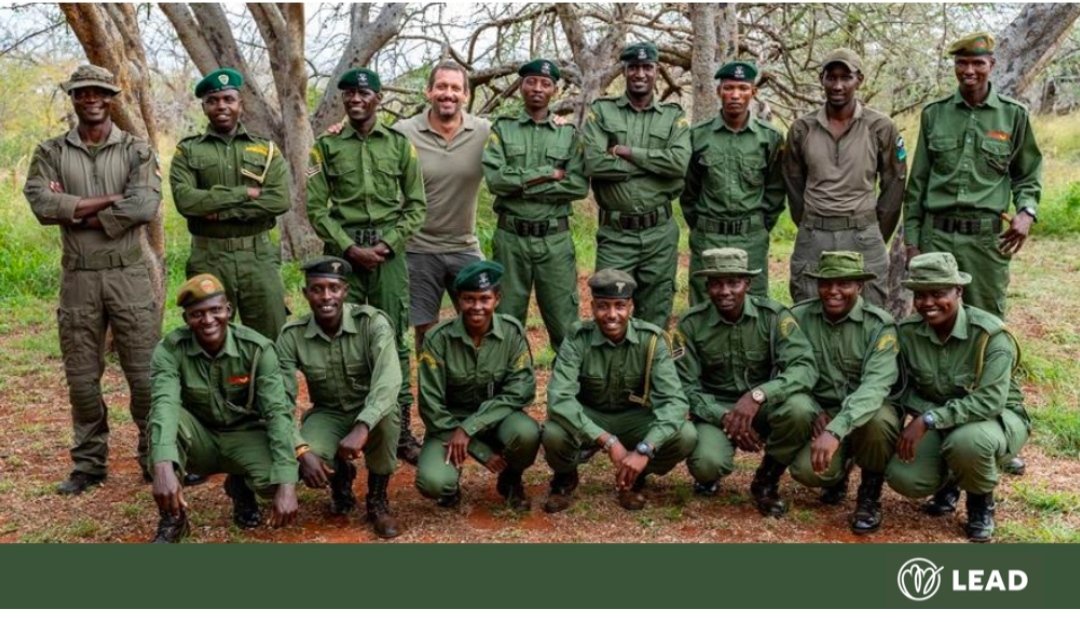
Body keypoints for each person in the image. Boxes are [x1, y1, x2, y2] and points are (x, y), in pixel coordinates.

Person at [23, 64, 161, 494]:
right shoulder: (50, 151)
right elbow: (42, 204)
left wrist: (76, 207)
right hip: (79, 278)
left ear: (111, 97)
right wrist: (112, 199)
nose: (91, 99)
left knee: (144, 376)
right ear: (74, 98)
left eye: (99, 91)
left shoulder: (137, 150)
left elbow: (144, 207)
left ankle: (155, 458)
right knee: (82, 378)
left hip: (129, 275)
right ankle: (88, 464)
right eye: (83, 92)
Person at [306, 67, 427, 465]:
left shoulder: (398, 144)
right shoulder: (326, 147)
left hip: (388, 257)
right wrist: (347, 247)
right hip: (343, 260)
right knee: (341, 338)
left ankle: (402, 430)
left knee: (393, 340)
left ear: (378, 98)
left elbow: (415, 205)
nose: (355, 99)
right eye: (348, 94)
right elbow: (315, 207)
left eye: (363, 93)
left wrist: (388, 245)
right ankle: (343, 424)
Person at [884, 252, 1029, 542]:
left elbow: (990, 401)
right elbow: (901, 389)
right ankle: (950, 480)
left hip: (994, 420)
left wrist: (928, 418)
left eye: (938, 293)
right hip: (938, 418)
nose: (928, 303)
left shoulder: (990, 335)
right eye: (920, 295)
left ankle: (980, 504)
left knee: (968, 442)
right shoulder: (908, 333)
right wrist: (930, 415)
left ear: (959, 291)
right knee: (905, 478)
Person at [147, 275, 298, 543]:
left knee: (276, 483)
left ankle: (240, 485)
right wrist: (161, 466)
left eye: (216, 310)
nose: (208, 321)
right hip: (200, 436)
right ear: (186, 319)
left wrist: (287, 484)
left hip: (244, 434)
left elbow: (277, 413)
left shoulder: (257, 349)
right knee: (165, 423)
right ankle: (173, 519)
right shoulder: (170, 350)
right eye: (197, 314)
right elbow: (164, 405)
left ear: (228, 310)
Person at [903, 32, 1042, 321]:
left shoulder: (1012, 115)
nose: (969, 71)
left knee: (986, 318)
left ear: (991, 64)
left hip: (986, 241)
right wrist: (913, 244)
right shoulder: (934, 114)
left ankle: (987, 367)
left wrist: (1026, 212)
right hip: (936, 236)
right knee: (933, 316)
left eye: (977, 63)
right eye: (962, 63)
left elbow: (1027, 174)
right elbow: (917, 185)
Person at [670, 248, 817, 516]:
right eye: (716, 283)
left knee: (800, 409)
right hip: (718, 409)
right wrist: (724, 416)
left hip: (764, 405)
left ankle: (767, 479)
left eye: (733, 283)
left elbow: (804, 367)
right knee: (706, 464)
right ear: (707, 287)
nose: (725, 291)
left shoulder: (773, 317)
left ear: (747, 284)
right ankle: (709, 478)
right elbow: (683, 386)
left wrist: (760, 394)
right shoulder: (691, 325)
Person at [543, 269, 696, 513]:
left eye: (620, 306)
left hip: (634, 418)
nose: (611, 314)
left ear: (631, 307)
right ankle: (565, 477)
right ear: (592, 307)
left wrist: (646, 448)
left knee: (685, 435)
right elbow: (559, 398)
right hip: (591, 415)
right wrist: (606, 440)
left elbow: (675, 402)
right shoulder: (577, 338)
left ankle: (635, 475)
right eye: (603, 306)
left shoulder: (652, 340)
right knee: (553, 432)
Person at [276, 257, 403, 538]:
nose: (326, 297)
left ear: (345, 291)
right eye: (317, 289)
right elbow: (278, 401)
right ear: (305, 293)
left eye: (333, 288)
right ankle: (340, 480)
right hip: (328, 413)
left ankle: (378, 501)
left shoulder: (372, 322)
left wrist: (363, 425)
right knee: (307, 463)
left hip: (369, 410)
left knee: (387, 416)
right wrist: (301, 450)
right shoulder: (292, 335)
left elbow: (389, 381)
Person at [169, 67, 291, 340]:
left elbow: (279, 199)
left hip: (258, 258)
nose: (221, 106)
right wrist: (245, 192)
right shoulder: (188, 150)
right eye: (213, 101)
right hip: (209, 256)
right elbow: (186, 201)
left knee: (272, 336)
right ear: (204, 107)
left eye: (228, 99)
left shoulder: (267, 149)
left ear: (240, 104)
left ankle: (272, 384)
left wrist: (217, 210)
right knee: (208, 337)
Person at [787, 252, 900, 534]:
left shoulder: (880, 325)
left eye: (844, 284)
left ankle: (869, 494)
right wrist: (814, 410)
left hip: (866, 412)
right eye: (826, 283)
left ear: (859, 286)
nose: (833, 292)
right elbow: (789, 371)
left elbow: (875, 386)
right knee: (805, 472)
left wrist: (836, 429)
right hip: (823, 411)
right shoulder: (799, 318)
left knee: (878, 419)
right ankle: (837, 474)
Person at [783, 48, 907, 307]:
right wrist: (810, 224)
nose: (838, 85)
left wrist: (874, 230)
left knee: (871, 310)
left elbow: (894, 184)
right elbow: (794, 186)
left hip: (862, 234)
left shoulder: (880, 127)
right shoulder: (802, 128)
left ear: (859, 80)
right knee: (808, 306)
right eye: (831, 77)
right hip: (815, 234)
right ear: (822, 79)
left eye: (846, 77)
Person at [581, 42, 691, 328]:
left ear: (657, 71)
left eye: (647, 67)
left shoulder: (672, 116)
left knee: (656, 314)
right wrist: (655, 168)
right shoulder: (603, 112)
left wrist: (628, 152)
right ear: (624, 72)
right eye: (634, 68)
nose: (640, 73)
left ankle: (651, 372)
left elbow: (678, 164)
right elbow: (593, 163)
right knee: (609, 312)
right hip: (616, 235)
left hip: (659, 235)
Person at [415, 260, 539, 510]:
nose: (477, 307)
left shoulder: (511, 333)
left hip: (497, 418)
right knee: (433, 483)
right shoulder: (438, 339)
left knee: (527, 433)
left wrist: (470, 428)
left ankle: (511, 479)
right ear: (459, 300)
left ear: (497, 299)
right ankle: (450, 486)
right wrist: (475, 446)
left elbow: (521, 390)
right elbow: (430, 406)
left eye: (484, 299)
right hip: (448, 425)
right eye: (469, 299)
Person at [482, 58, 588, 349]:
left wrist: (522, 185)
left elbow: (578, 185)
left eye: (546, 83)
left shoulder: (567, 134)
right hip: (511, 240)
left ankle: (568, 391)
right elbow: (496, 181)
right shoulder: (502, 129)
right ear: (520, 86)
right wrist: (545, 175)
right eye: (531, 81)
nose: (537, 88)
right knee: (505, 322)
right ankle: (510, 389)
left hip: (554, 241)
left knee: (565, 323)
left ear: (555, 89)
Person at [396, 61, 492, 348]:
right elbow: (368, 142)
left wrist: (555, 121)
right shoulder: (404, 132)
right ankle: (430, 389)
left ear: (465, 95)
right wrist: (341, 128)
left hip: (464, 246)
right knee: (426, 330)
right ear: (428, 92)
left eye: (454, 88)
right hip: (418, 248)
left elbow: (524, 136)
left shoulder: (484, 131)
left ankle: (472, 388)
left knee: (481, 322)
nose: (447, 93)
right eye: (441, 86)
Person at [682, 60, 785, 302]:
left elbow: (776, 190)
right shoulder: (698, 136)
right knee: (706, 302)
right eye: (728, 88)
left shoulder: (769, 138)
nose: (735, 95)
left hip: (751, 237)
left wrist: (758, 225)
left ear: (753, 93)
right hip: (709, 235)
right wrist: (701, 224)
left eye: (742, 88)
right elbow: (689, 190)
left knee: (754, 303)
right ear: (719, 92)